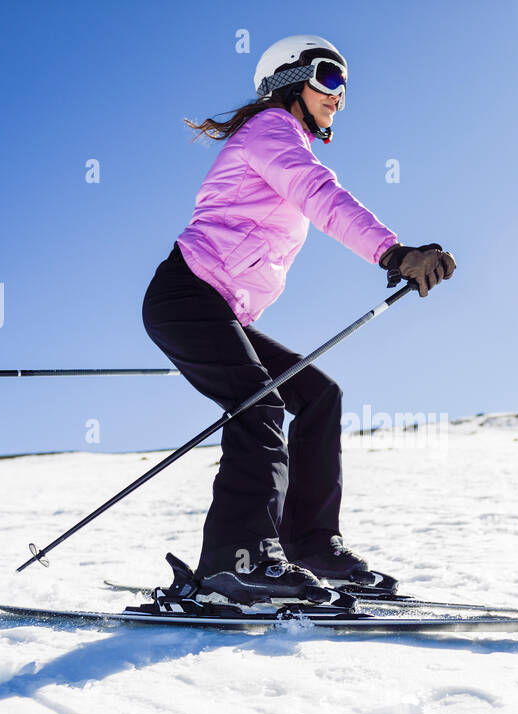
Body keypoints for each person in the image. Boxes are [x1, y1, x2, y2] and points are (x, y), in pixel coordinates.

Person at [142, 34, 456, 605]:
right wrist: (395, 253)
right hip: (185, 296)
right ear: (290, 80)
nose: (340, 95)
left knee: (317, 394)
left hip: (214, 311)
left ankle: (310, 546)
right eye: (329, 77)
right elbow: (321, 196)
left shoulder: (280, 140)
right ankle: (236, 564)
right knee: (260, 402)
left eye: (345, 85)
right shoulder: (270, 131)